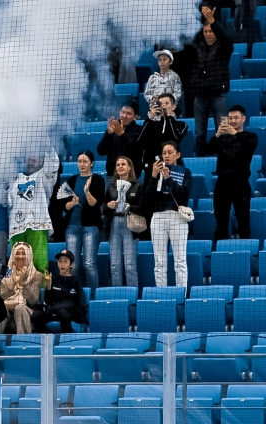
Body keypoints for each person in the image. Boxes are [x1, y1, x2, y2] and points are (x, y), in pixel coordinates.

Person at [201, 104, 258, 244]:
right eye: (230, 118)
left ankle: (245, 248)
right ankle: (221, 249)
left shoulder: (251, 137)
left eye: (236, 118)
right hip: (222, 184)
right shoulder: (221, 138)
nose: (232, 120)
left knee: (243, 220)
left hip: (241, 184)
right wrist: (217, 135)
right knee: (221, 221)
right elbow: (205, 150)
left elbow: (249, 148)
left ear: (243, 119)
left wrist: (235, 134)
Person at [146, 141, 192, 288]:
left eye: (170, 152)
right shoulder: (154, 172)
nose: (166, 156)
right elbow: (146, 198)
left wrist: (168, 179)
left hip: (177, 217)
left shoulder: (185, 172)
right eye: (164, 153)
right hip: (158, 217)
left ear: (178, 154)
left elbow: (184, 196)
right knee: (159, 262)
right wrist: (153, 176)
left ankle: (181, 295)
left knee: (180, 260)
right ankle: (161, 294)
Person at [187, 7, 232, 151]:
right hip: (200, 96)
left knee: (223, 129)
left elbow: (227, 39)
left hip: (218, 95)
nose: (207, 34)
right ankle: (200, 159)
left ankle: (223, 159)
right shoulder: (197, 48)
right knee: (199, 132)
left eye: (210, 31)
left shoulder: (223, 48)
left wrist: (212, 21)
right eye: (205, 31)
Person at [58, 150, 105, 288]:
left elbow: (95, 203)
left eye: (85, 161)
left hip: (90, 226)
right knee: (73, 265)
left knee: (89, 263)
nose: (82, 164)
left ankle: (93, 295)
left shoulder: (98, 180)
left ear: (92, 163)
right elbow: (64, 206)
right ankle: (74, 295)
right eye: (79, 161)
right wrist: (72, 203)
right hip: (72, 226)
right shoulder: (71, 180)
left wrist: (87, 192)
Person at [8, 148, 59, 274]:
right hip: (17, 228)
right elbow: (6, 201)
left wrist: (47, 145)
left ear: (42, 161)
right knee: (17, 267)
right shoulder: (14, 179)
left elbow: (52, 163)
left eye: (34, 158)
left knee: (39, 265)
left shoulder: (44, 178)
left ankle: (40, 292)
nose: (31, 161)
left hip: (38, 225)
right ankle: (20, 293)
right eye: (28, 159)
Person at [104, 156, 142, 288]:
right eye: (118, 164)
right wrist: (108, 206)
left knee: (130, 265)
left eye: (123, 164)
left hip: (130, 225)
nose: (120, 166)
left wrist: (130, 207)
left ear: (129, 167)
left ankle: (132, 295)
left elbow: (143, 207)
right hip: (114, 224)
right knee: (115, 265)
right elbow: (103, 208)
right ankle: (117, 293)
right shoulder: (111, 187)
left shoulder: (137, 185)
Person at [32, 250, 88, 332]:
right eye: (60, 261)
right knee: (36, 315)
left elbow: (80, 302)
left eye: (66, 261)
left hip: (69, 313)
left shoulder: (75, 281)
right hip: (54, 311)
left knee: (64, 313)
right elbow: (47, 301)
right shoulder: (53, 279)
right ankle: (46, 339)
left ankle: (66, 341)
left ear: (71, 264)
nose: (62, 264)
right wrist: (48, 287)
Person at [0, 243, 42, 334]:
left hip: (27, 309)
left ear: (29, 255)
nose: (20, 256)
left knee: (20, 309)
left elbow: (33, 301)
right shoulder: (7, 272)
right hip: (8, 307)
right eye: (17, 253)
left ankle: (24, 344)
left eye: (23, 253)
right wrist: (14, 281)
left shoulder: (36, 275)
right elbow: (2, 296)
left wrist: (24, 284)